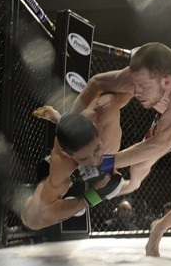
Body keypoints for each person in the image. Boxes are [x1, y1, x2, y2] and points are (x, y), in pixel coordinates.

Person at [72, 42, 171, 256]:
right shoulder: (143, 75)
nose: (136, 92)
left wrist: (105, 161)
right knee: (140, 165)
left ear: (166, 81)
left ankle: (160, 227)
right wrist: (69, 126)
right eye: (135, 84)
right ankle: (132, 185)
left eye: (142, 87)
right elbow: (96, 82)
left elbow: (159, 145)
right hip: (170, 120)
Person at [21, 91, 132, 230]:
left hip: (102, 153)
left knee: (112, 176)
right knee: (31, 218)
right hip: (64, 168)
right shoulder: (62, 165)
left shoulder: (108, 133)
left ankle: (100, 171)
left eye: (97, 149)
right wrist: (90, 197)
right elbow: (37, 218)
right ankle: (82, 199)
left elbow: (135, 155)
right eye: (85, 158)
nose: (93, 160)